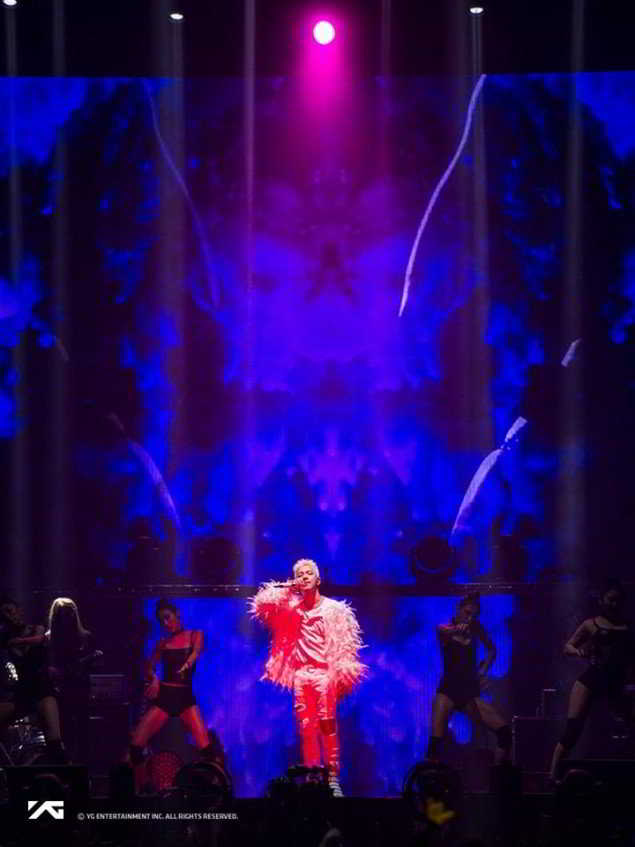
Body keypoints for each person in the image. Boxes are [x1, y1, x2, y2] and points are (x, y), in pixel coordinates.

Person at [249, 558, 367, 797]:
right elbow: (261, 606)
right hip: (302, 675)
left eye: (308, 573)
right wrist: (287, 588)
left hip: (324, 674)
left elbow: (345, 646)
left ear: (318, 579)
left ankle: (332, 777)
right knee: (306, 728)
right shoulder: (291, 610)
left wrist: (340, 675)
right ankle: (313, 775)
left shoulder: (334, 609)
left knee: (327, 724)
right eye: (300, 574)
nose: (304, 577)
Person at [128, 598, 223, 787]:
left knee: (207, 750)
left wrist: (187, 665)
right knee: (136, 747)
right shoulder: (162, 643)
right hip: (165, 697)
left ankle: (217, 786)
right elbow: (148, 667)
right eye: (161, 621)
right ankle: (144, 788)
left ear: (177, 614)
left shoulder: (195, 634)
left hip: (184, 697)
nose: (166, 623)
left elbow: (196, 653)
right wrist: (154, 679)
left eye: (168, 617)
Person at [549, 580, 635, 780]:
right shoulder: (591, 624)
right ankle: (552, 773)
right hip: (592, 679)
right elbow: (568, 646)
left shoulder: (628, 627)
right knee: (573, 728)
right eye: (611, 600)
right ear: (602, 600)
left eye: (618, 600)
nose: (614, 604)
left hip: (616, 683)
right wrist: (579, 652)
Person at [426, 592, 511, 764]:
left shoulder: (476, 628)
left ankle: (497, 772)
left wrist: (483, 671)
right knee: (435, 746)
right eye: (467, 613)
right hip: (447, 692)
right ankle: (429, 777)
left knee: (505, 733)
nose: (470, 618)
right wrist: (457, 629)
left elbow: (492, 650)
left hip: (469, 695)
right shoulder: (445, 629)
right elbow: (440, 630)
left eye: (474, 615)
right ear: (458, 609)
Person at [0, 596, 67, 763]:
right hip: (21, 694)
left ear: (19, 611)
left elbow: (41, 639)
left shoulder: (36, 629)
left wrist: (18, 641)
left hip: (42, 691)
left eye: (11, 611)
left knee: (54, 742)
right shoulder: (5, 638)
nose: (10, 615)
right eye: (5, 613)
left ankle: (60, 769)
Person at [46, 597, 102, 762]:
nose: (68, 616)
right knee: (63, 729)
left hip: (80, 689)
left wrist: (90, 662)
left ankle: (83, 766)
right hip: (59, 691)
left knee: (83, 729)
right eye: (64, 613)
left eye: (70, 612)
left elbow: (96, 665)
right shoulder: (48, 638)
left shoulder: (86, 637)